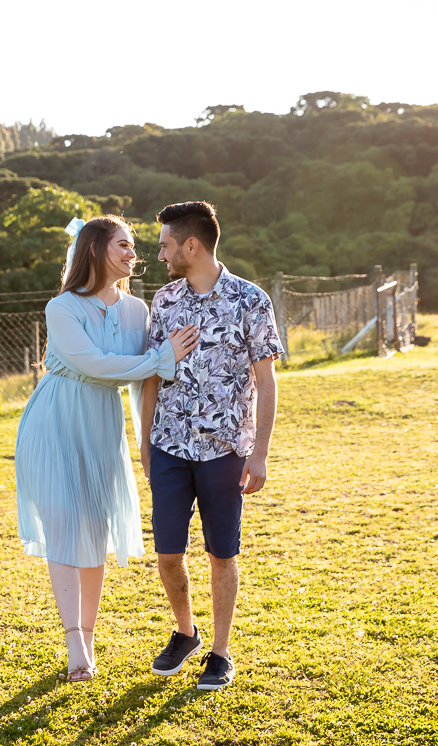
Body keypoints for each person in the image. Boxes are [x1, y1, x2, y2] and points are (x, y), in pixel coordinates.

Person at [15, 214, 200, 683]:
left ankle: (89, 637)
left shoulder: (138, 311)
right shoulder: (62, 308)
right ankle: (75, 643)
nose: (133, 254)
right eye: (124, 244)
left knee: (94, 530)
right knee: (63, 525)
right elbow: (95, 365)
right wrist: (162, 357)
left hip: (101, 425)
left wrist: (147, 443)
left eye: (135, 246)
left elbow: (143, 382)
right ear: (95, 249)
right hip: (55, 419)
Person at [140, 200, 282, 691]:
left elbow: (267, 380)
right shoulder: (165, 301)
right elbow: (151, 379)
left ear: (191, 246)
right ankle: (186, 632)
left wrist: (259, 452)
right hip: (169, 448)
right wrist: (144, 443)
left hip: (226, 451)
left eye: (165, 246)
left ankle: (220, 652)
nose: (160, 255)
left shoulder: (251, 300)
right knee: (166, 554)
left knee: (222, 554)